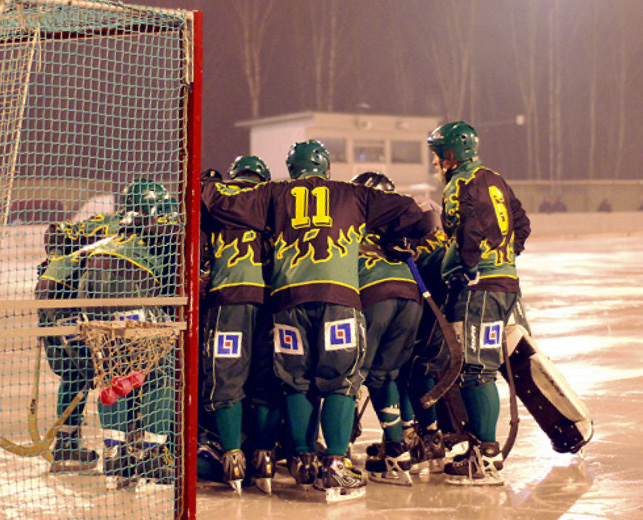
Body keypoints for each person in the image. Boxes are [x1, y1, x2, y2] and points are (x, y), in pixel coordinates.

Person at [201, 139, 432, 500]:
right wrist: (399, 240)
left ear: (292, 170)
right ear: (326, 168)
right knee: (340, 381)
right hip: (338, 300)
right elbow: (416, 212)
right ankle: (336, 465)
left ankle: (304, 458)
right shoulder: (353, 194)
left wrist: (203, 182)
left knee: (296, 382)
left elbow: (220, 202)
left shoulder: (272, 194)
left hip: (287, 303)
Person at [427, 121, 531, 486]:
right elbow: (522, 224)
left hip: (480, 289)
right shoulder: (495, 178)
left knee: (475, 370)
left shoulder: (460, 184)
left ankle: (484, 455)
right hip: (506, 284)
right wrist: (502, 259)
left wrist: (468, 267)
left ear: (450, 155)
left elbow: (468, 232)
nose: (436, 163)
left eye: (438, 156)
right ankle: (485, 451)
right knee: (484, 367)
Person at [198, 155, 281, 495]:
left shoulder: (218, 194)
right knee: (267, 381)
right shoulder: (275, 198)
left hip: (228, 297)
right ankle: (264, 457)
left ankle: (232, 457)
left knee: (225, 375)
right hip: (273, 299)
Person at [350, 171, 422, 487]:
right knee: (387, 375)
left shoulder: (350, 222)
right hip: (412, 298)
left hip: (374, 296)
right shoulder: (401, 224)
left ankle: (340, 449)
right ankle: (398, 449)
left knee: (352, 373)